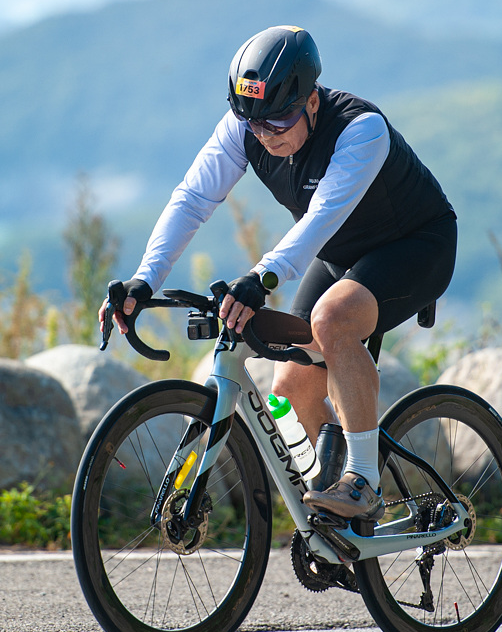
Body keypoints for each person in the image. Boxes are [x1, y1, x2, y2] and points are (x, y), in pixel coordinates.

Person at [101, 26, 456, 521]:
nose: (266, 134)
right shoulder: (244, 127)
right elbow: (193, 199)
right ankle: (338, 521)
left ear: (311, 100)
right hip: (338, 255)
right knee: (290, 389)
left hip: (415, 246)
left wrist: (260, 278)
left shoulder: (361, 130)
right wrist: (145, 279)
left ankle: (363, 481)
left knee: (333, 320)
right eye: (254, 123)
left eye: (279, 121)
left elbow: (320, 219)